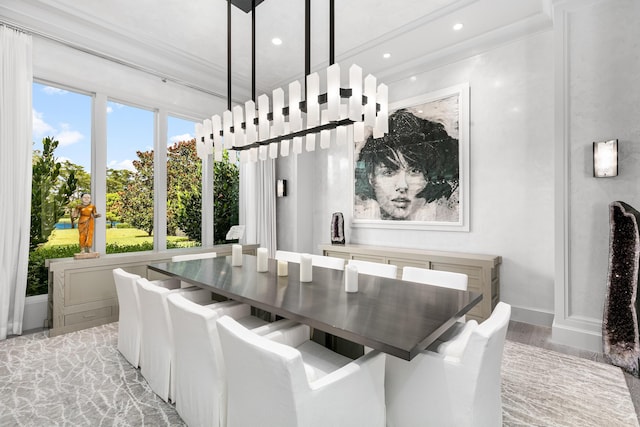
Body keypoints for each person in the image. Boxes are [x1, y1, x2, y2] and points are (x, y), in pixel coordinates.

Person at [354, 109, 459, 221]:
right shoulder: (363, 214)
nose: (402, 186)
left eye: (414, 171)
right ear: (371, 178)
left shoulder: (446, 216)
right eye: (389, 172)